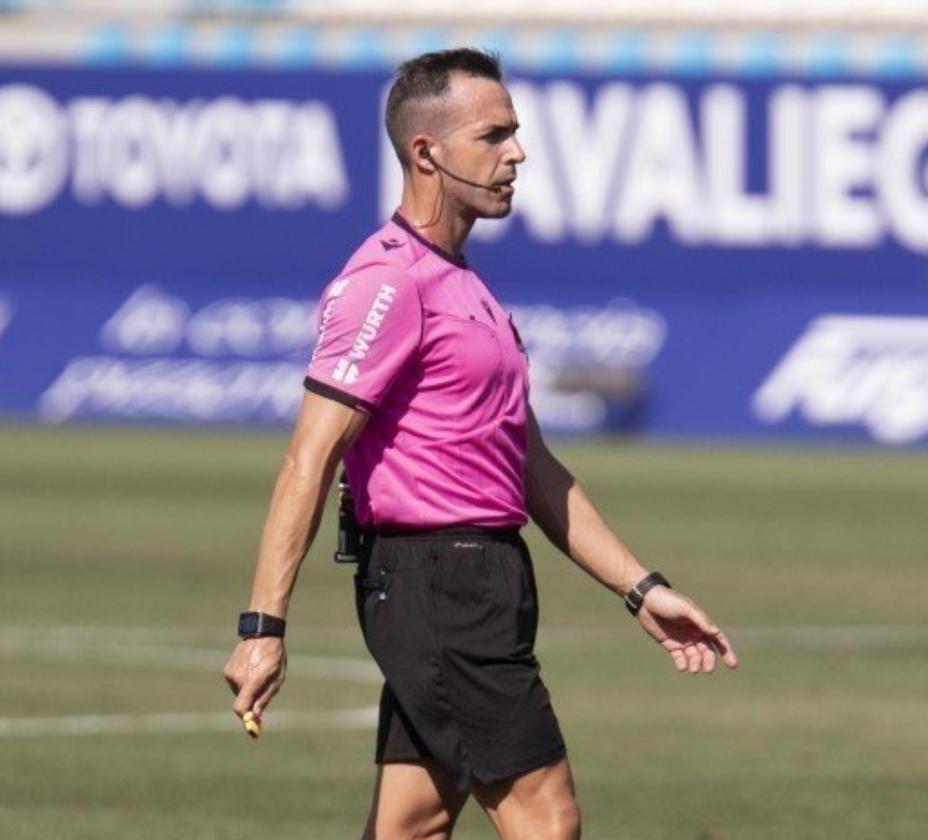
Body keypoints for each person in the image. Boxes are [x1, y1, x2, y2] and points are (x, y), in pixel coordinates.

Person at [221, 47, 739, 840]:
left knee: (412, 826)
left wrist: (641, 589)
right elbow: (309, 456)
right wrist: (263, 629)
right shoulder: (385, 282)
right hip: (438, 587)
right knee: (548, 818)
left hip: (483, 580)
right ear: (426, 152)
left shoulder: (466, 287)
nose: (517, 154)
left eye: (516, 133)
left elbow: (533, 470)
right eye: (494, 135)